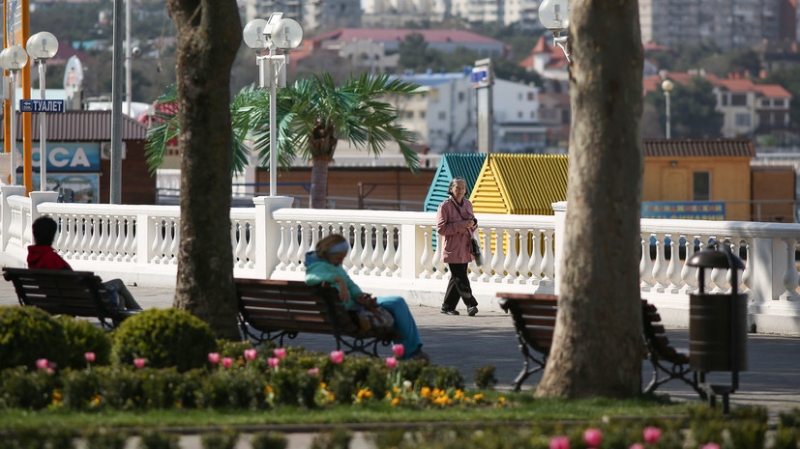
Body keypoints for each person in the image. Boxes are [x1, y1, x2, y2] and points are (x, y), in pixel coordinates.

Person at [304, 233, 429, 361]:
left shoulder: (332, 265)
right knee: (397, 303)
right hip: (351, 313)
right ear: (328, 254)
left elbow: (350, 284)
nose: (341, 261)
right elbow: (309, 279)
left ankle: (406, 352)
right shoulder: (318, 266)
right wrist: (338, 279)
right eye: (339, 257)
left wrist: (358, 295)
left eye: (343, 257)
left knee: (396, 306)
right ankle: (412, 351)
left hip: (352, 308)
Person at [27, 216, 143, 311]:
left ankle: (130, 322)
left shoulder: (32, 257)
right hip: (79, 299)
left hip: (57, 298)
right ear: (52, 235)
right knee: (118, 283)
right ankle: (142, 317)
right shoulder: (51, 257)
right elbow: (75, 282)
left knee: (120, 299)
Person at [436, 177, 479, 316]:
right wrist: (461, 225)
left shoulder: (468, 204)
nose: (460, 190)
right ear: (451, 189)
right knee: (460, 277)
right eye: (457, 187)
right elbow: (441, 229)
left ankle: (447, 306)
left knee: (456, 277)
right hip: (453, 248)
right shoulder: (445, 206)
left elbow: (473, 224)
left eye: (462, 188)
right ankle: (471, 304)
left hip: (465, 247)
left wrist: (472, 224)